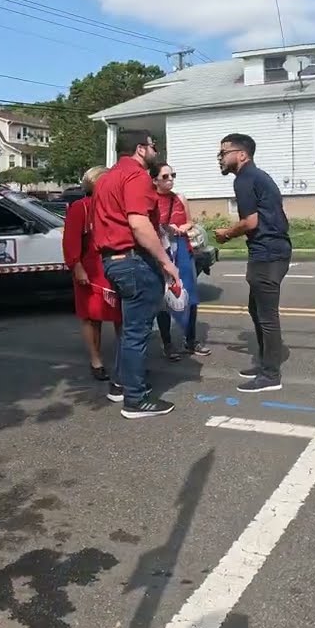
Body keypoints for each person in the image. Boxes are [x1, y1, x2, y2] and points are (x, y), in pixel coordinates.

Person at [93, 129, 181, 419]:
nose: (156, 151)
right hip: (133, 260)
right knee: (136, 332)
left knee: (129, 329)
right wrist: (166, 263)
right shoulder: (137, 176)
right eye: (153, 146)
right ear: (141, 149)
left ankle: (121, 384)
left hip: (114, 261)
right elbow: (138, 224)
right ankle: (135, 399)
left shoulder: (106, 178)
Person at [213, 133, 292, 393]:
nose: (220, 158)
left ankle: (271, 375)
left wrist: (226, 234)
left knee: (266, 316)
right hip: (271, 250)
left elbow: (251, 222)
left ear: (242, 155)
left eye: (224, 153)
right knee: (256, 309)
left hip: (267, 252)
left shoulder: (245, 179)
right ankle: (265, 363)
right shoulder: (256, 177)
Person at [62, 165, 122, 382]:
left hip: (116, 266)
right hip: (90, 270)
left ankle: (128, 359)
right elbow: (70, 241)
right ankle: (96, 360)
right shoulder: (81, 208)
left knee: (122, 316)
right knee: (92, 318)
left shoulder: (116, 206)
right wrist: (77, 267)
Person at [152, 163, 211, 359]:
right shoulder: (150, 200)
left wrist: (183, 228)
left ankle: (191, 340)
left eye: (172, 175)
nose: (170, 179)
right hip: (162, 250)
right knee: (165, 296)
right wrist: (165, 228)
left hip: (183, 249)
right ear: (154, 180)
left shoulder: (179, 198)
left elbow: (189, 221)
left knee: (189, 296)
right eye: (165, 176)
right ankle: (167, 343)